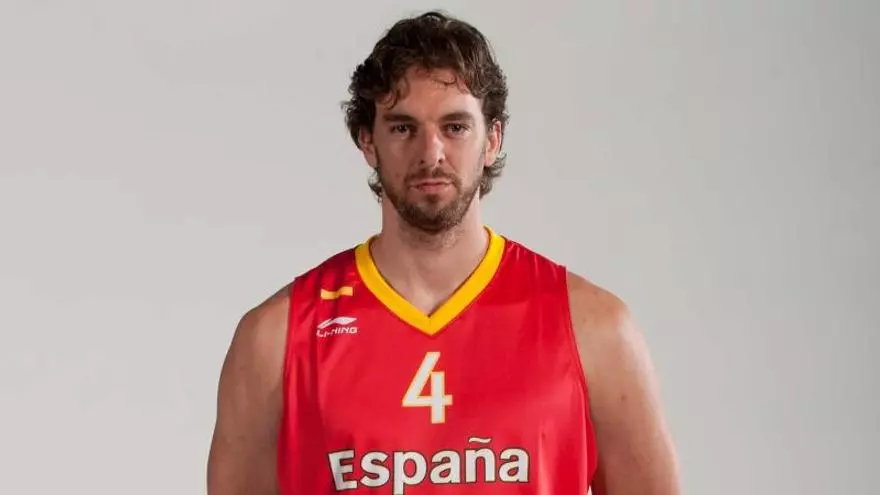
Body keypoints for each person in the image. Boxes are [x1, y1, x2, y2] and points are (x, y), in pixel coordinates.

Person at [206, 10, 680, 495]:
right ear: (367, 141)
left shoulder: (593, 329)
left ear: (492, 139)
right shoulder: (277, 339)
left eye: (455, 127)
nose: (430, 153)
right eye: (402, 128)